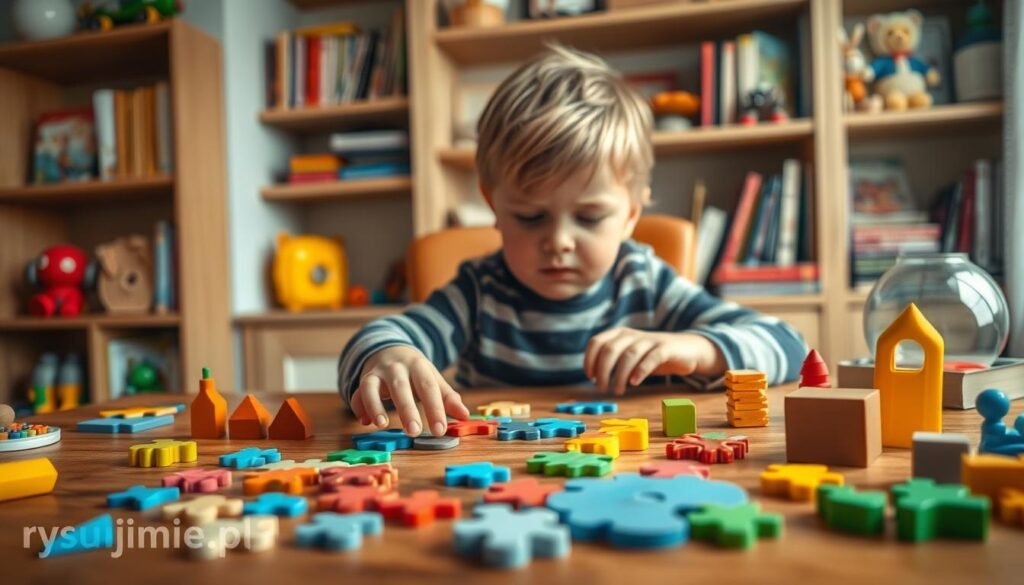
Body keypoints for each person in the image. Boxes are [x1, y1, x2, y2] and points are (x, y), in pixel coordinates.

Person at [337, 45, 807, 438]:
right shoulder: (480, 291)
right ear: (494, 207)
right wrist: (387, 356)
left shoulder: (644, 282)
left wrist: (696, 349)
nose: (558, 241)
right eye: (530, 216)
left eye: (589, 217)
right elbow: (376, 340)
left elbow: (789, 346)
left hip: (632, 476)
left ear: (631, 215)